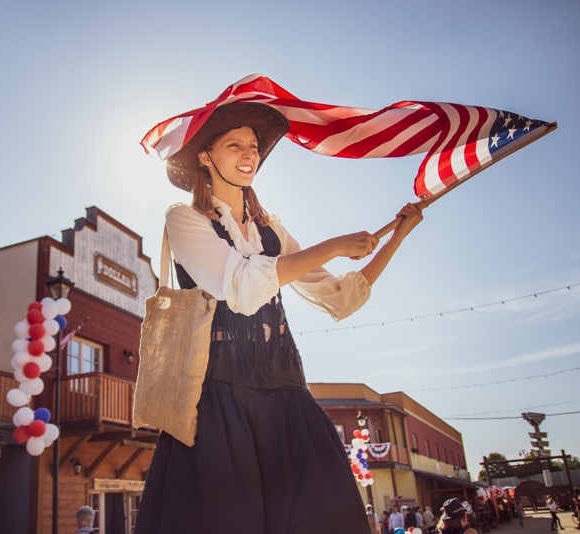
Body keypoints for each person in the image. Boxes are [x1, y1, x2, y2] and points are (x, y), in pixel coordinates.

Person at [133, 100, 423, 534]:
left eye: (253, 146)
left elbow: (339, 299)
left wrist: (398, 236)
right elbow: (243, 288)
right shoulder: (185, 219)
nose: (250, 154)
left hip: (287, 394)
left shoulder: (271, 230)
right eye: (235, 145)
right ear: (205, 157)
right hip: (220, 397)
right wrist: (331, 246)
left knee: (326, 518)